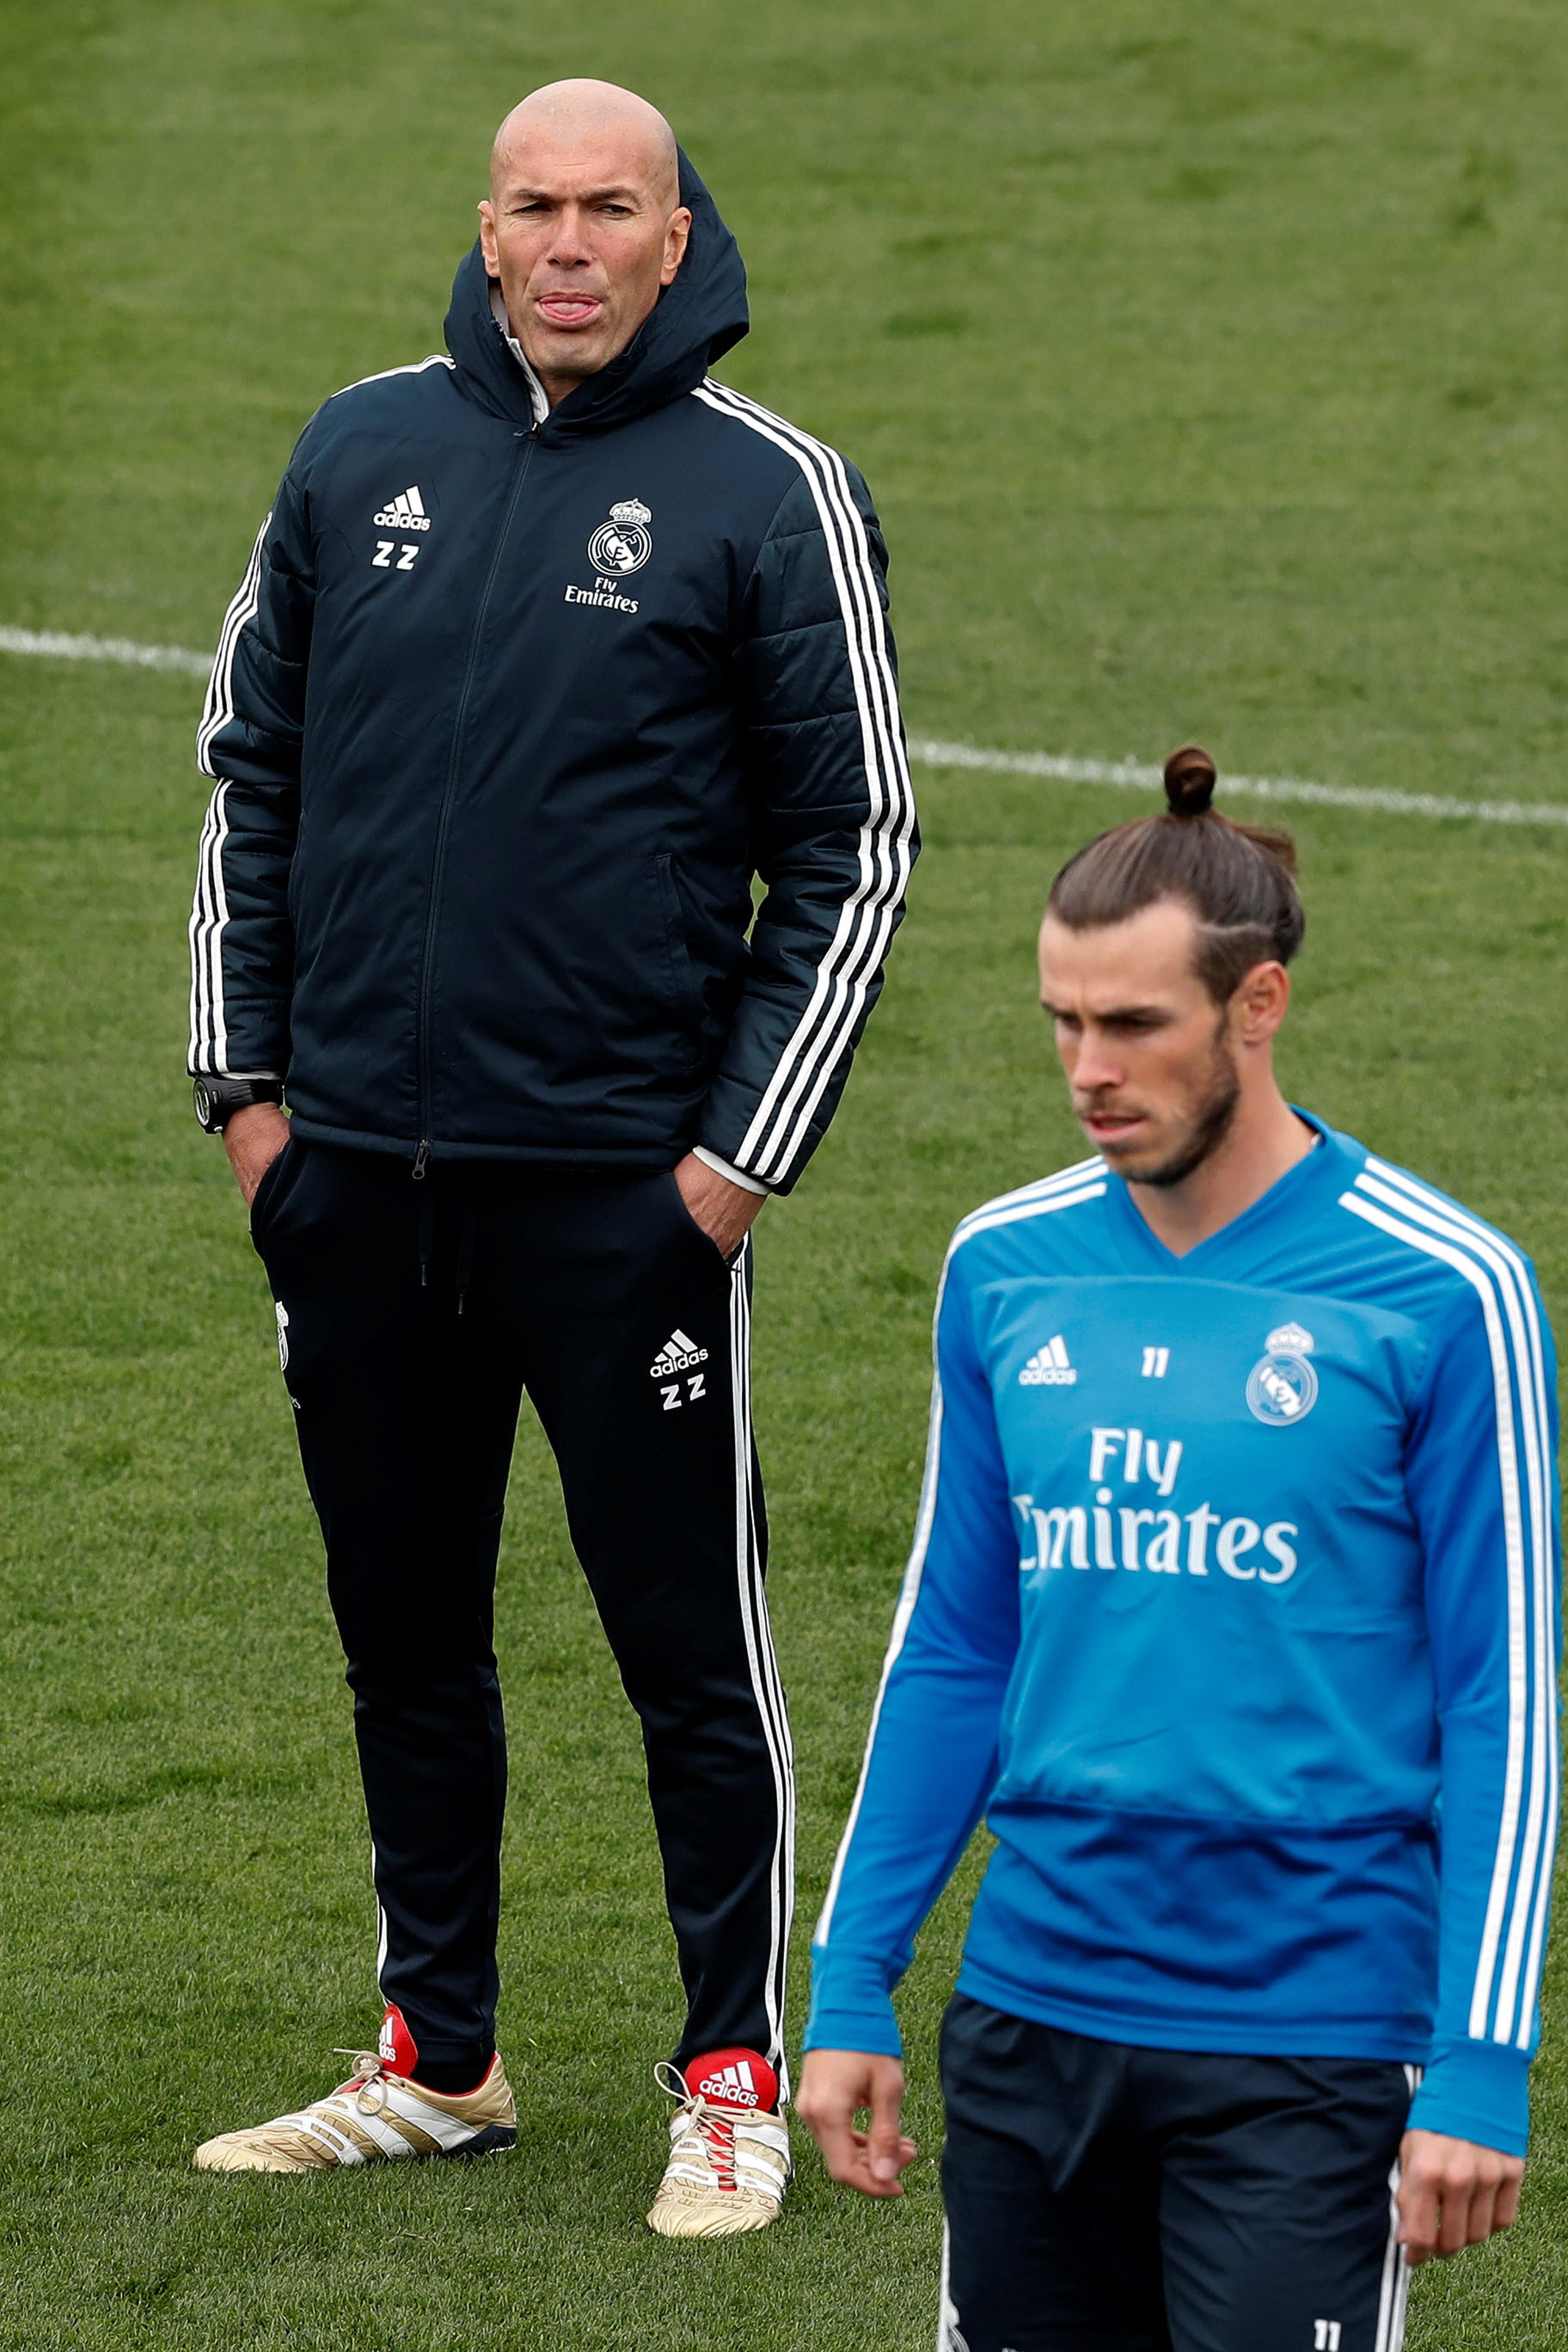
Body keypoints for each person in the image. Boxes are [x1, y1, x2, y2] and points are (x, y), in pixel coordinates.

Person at [186, 79, 915, 2236]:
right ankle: (441, 2056)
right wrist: (251, 1112)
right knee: (400, 1634)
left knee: (695, 1652)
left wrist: (726, 1175)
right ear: (485, 229)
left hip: (626, 1204)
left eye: (617, 208)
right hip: (361, 1193)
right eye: (537, 206)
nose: (574, 242)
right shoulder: (354, 449)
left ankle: (730, 2071)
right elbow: (250, 779)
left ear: (680, 239)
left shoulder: (774, 497)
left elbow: (852, 857)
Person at [797, 748, 1558, 2348]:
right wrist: (856, 1971)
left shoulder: (1442, 1291)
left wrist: (1484, 2058)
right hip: (1031, 2014)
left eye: (1135, 1024)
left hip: (1311, 2040)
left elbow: (1508, 1703)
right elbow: (955, 1641)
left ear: (1257, 1005)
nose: (1090, 1068)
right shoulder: (1004, 1264)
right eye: (1065, 1021)